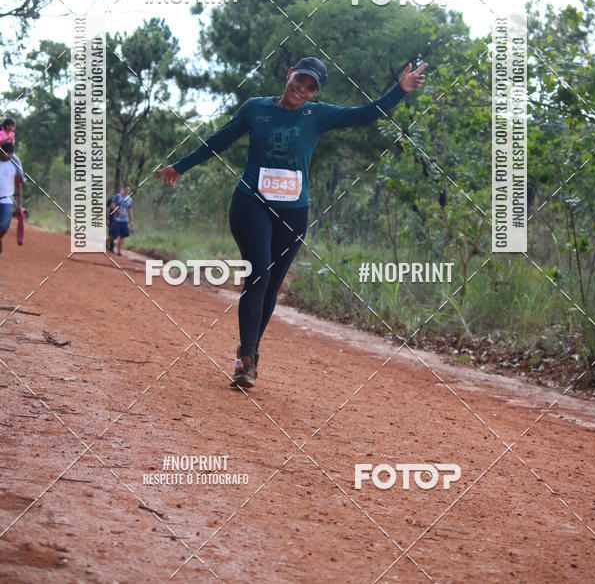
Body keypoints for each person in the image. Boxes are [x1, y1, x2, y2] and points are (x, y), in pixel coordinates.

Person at [157, 57, 427, 388]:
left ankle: (250, 353)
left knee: (271, 285)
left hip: (293, 213)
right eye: (300, 80)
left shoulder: (319, 115)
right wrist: (181, 166)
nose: (302, 89)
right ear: (289, 75)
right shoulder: (255, 109)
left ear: (316, 93)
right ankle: (245, 362)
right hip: (251, 204)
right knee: (259, 275)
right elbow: (221, 139)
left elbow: (364, 115)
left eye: (311, 87)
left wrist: (399, 91)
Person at [0, 140, 23, 253]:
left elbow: (19, 183)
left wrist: (19, 204)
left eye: (9, 154)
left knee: (4, 227)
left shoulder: (15, 162)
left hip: (6, 200)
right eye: (4, 153)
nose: (7, 156)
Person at [106, 184, 134, 255]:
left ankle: (119, 251)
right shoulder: (118, 196)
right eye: (126, 189)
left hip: (125, 220)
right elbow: (112, 205)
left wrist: (132, 221)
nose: (127, 191)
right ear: (123, 189)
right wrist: (117, 210)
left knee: (123, 235)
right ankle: (107, 242)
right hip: (117, 219)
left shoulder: (130, 199)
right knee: (114, 235)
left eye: (128, 190)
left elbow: (130, 210)